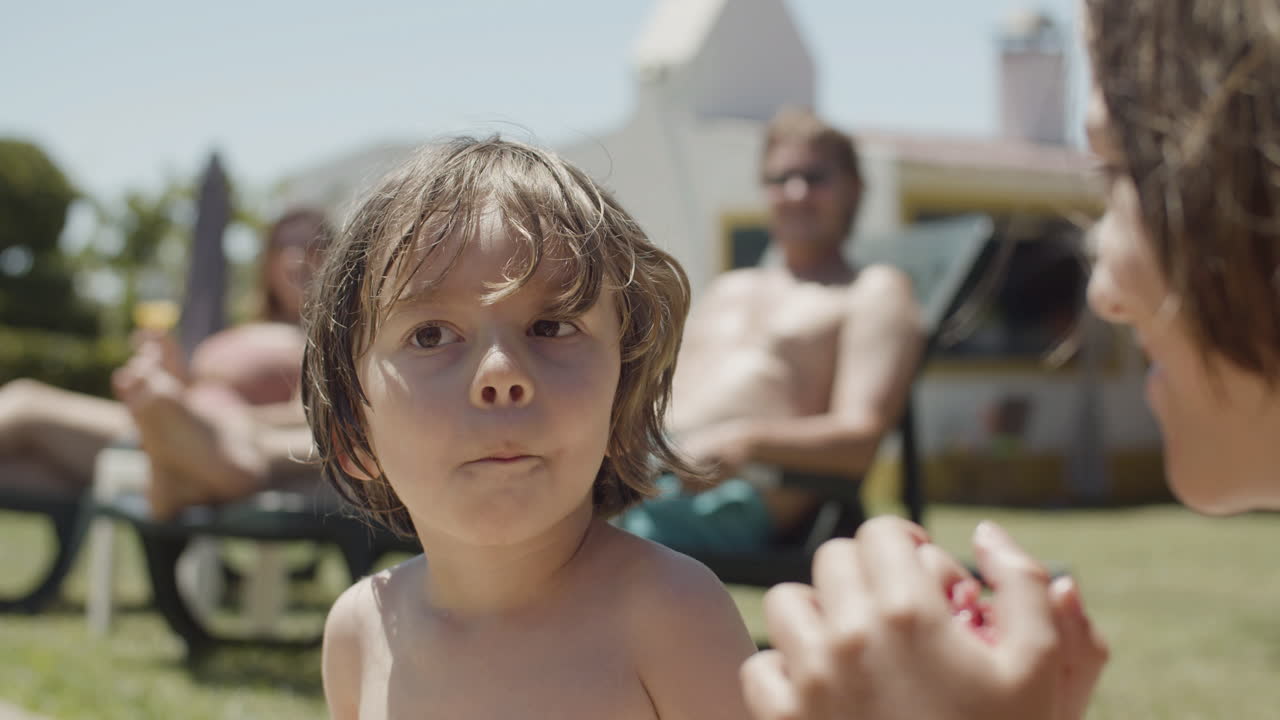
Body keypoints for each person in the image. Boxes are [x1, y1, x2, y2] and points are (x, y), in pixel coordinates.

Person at [739, 0, 1280, 717]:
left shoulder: (870, 293)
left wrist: (731, 442)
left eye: (1120, 170)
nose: (1102, 292)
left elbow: (857, 431)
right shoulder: (741, 291)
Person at [301, 137, 756, 719]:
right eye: (431, 335)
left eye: (551, 326)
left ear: (622, 406)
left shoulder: (672, 614)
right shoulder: (358, 631)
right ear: (353, 436)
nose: (501, 373)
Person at [616, 107, 923, 553]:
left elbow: (861, 439)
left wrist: (744, 441)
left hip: (734, 493)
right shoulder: (730, 288)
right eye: (780, 179)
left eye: (815, 177)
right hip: (646, 474)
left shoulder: (872, 291)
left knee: (580, 542)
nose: (795, 193)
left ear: (854, 190)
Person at [0, 207, 330, 520]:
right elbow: (196, 390)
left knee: (28, 401)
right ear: (268, 262)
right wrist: (171, 370)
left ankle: (171, 457)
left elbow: (308, 416)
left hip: (217, 437)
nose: (294, 256)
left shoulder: (325, 336)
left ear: (333, 259)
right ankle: (167, 445)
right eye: (283, 245)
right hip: (165, 423)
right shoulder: (244, 326)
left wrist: (225, 420)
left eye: (309, 244)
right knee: (20, 466)